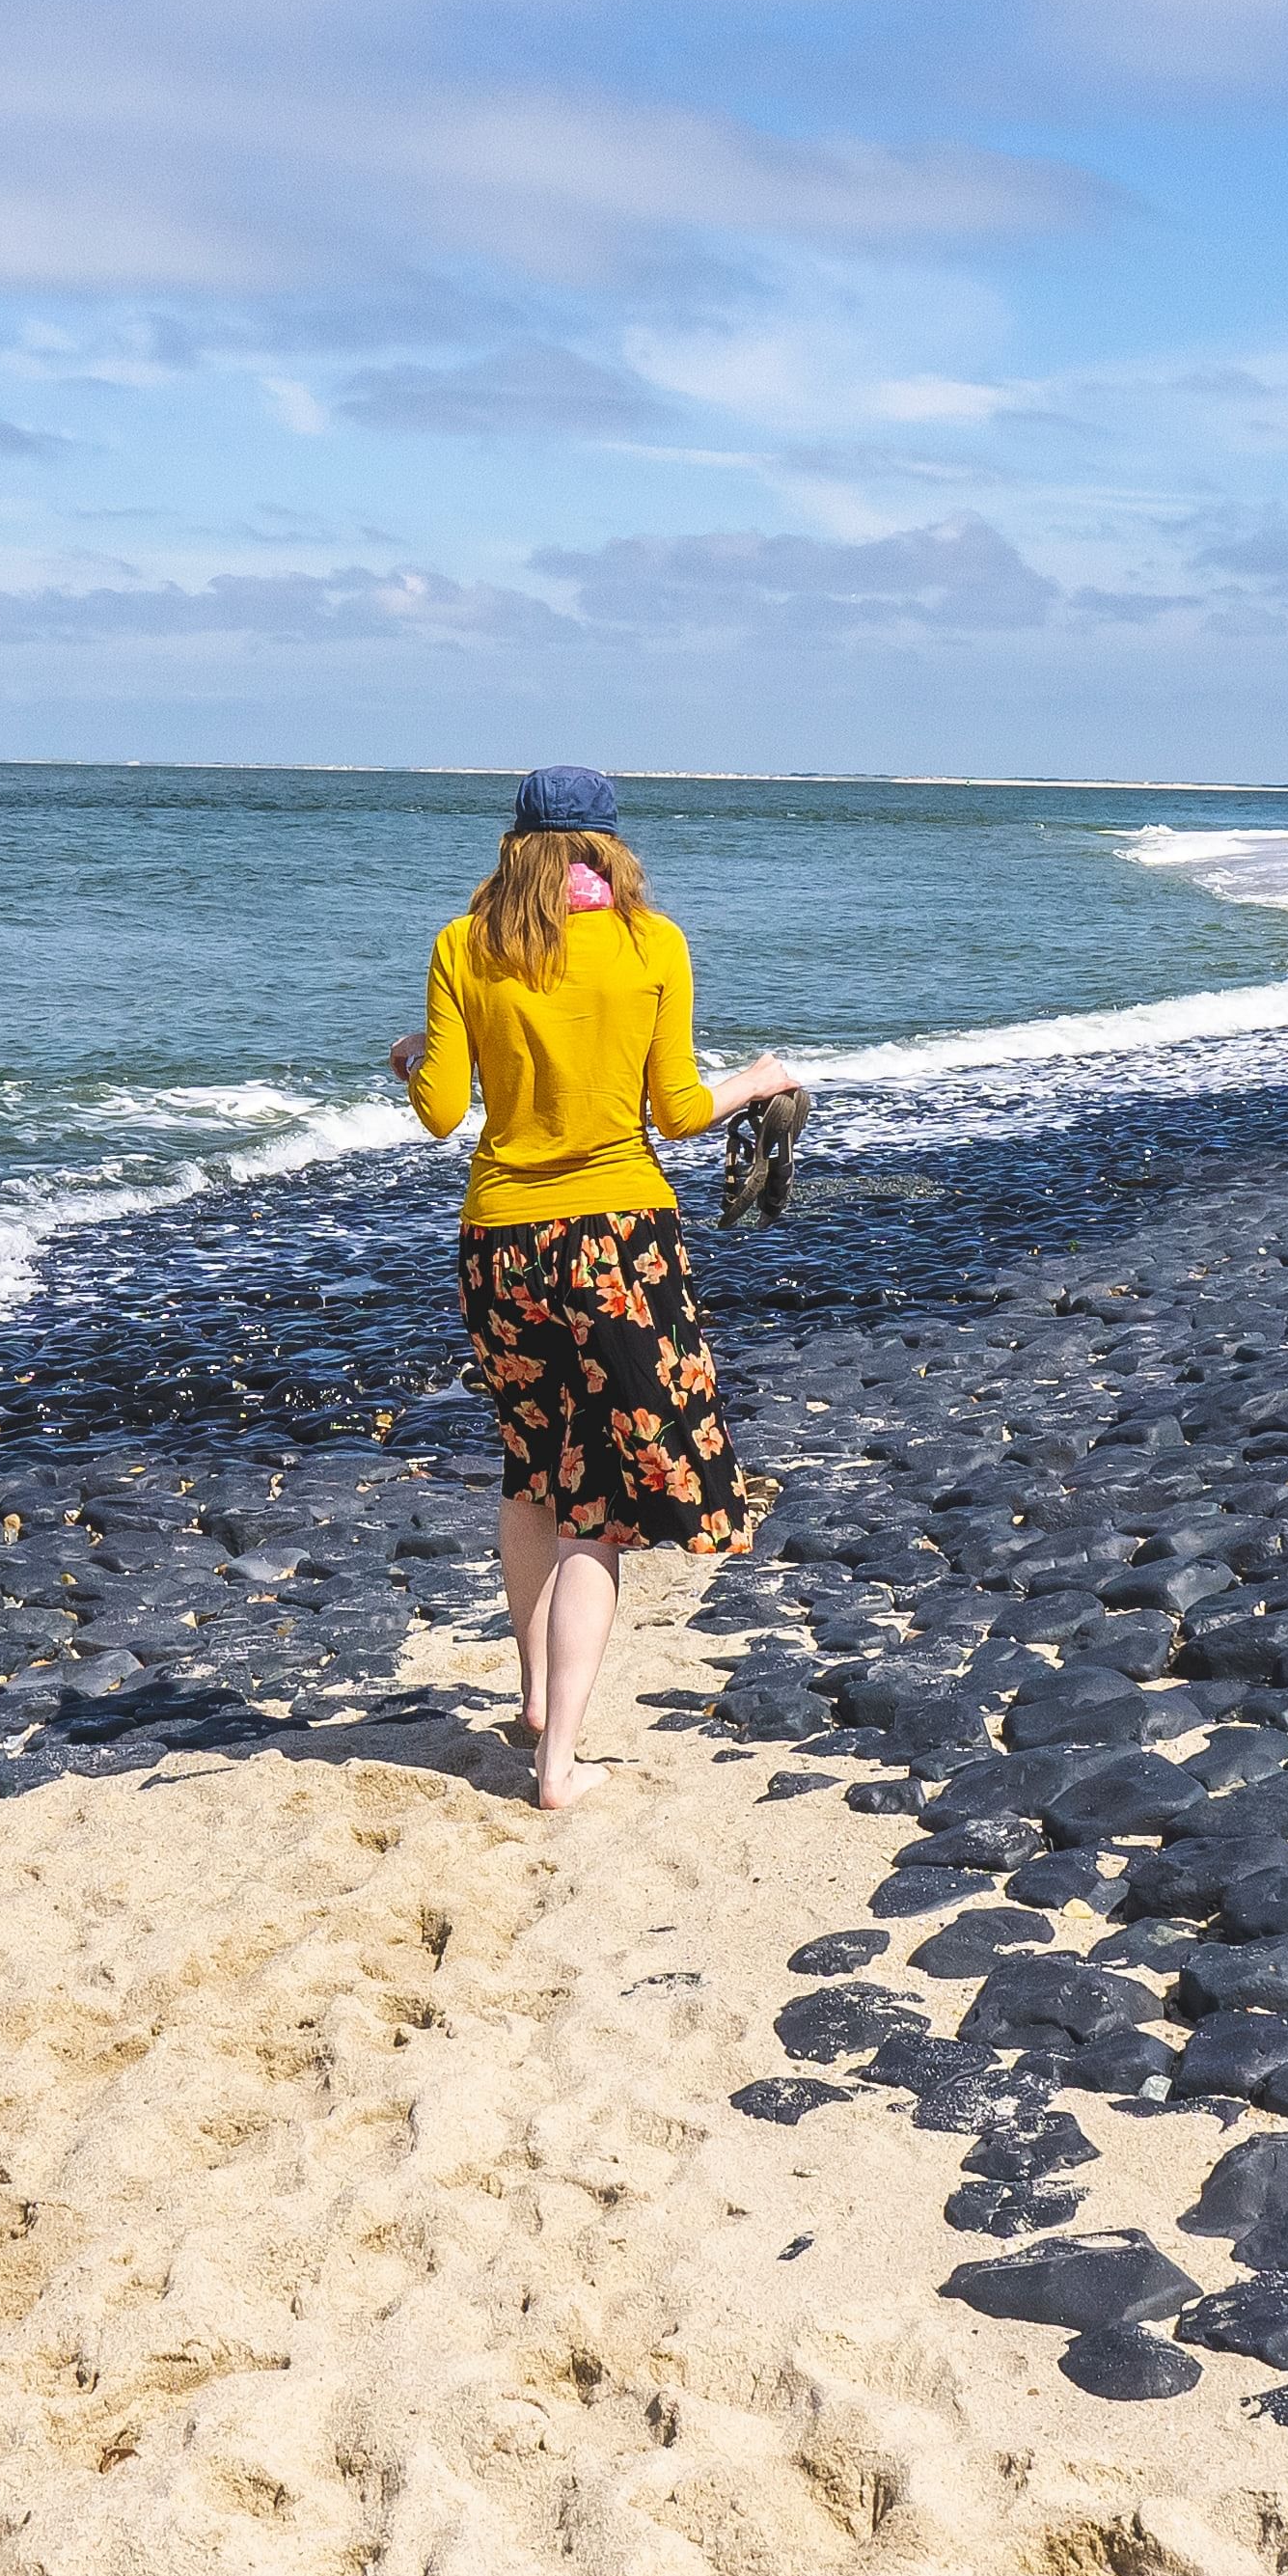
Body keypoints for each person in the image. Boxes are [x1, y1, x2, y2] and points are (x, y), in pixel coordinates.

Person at [387, 765, 804, 1811]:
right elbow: (679, 1109)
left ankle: (533, 1695)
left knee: (532, 1467)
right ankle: (559, 1762)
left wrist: (407, 1055)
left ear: (518, 842)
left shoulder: (462, 943)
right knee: (601, 1509)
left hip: (499, 1241)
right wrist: (760, 1079)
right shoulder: (649, 942)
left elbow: (441, 1111)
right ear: (608, 848)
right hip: (618, 1241)